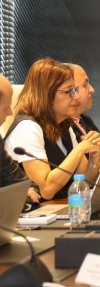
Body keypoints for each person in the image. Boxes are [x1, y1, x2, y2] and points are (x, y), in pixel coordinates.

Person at [4, 58, 100, 200]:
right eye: (68, 91)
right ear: (46, 94)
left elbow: (86, 181)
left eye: (75, 90)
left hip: (63, 207)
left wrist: (94, 155)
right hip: (35, 211)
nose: (75, 96)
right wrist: (80, 150)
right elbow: (46, 190)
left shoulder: (64, 125)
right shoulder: (27, 128)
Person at [0, 74, 41, 204]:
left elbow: (24, 183)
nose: (10, 112)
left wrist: (25, 191)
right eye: (6, 107)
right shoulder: (27, 127)